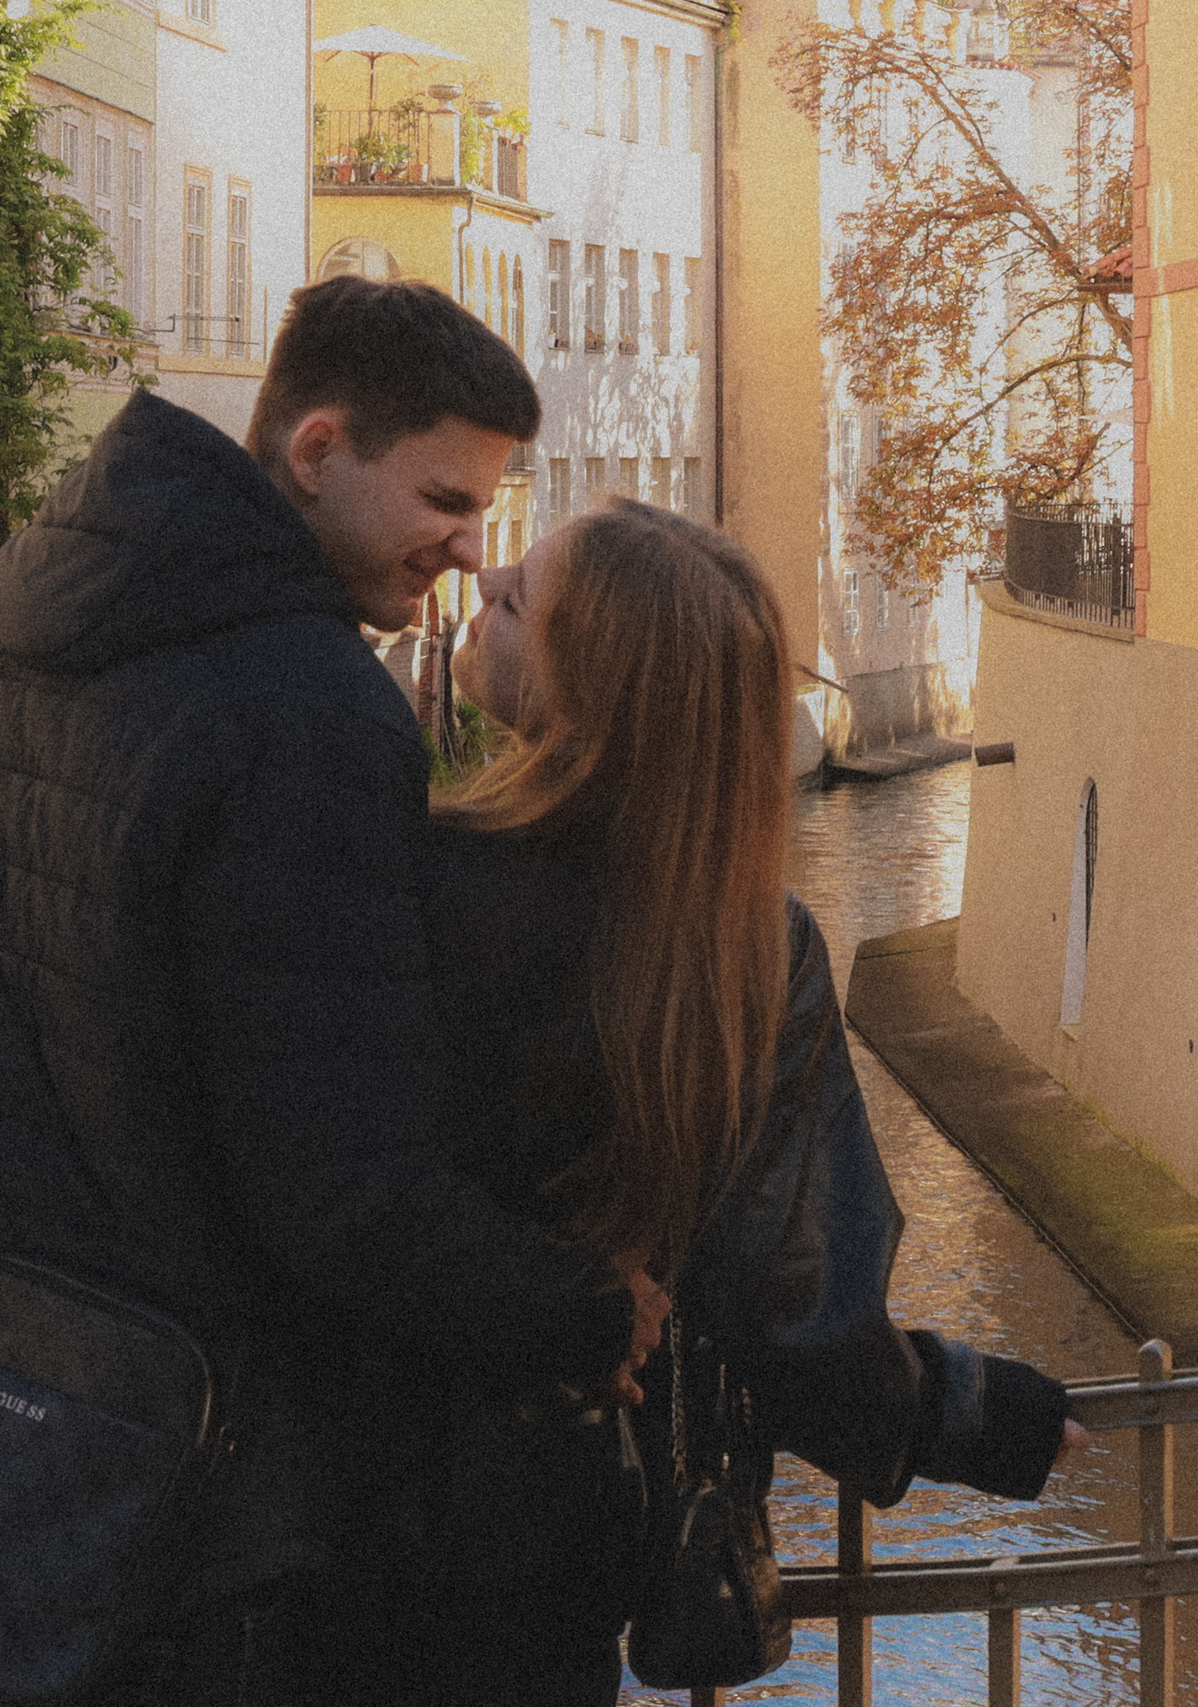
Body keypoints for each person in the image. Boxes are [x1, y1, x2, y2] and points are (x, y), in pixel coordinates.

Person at [0, 278, 670, 1704]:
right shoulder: (310, 709)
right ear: (316, 450)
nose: (466, 546)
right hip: (165, 1513)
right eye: (442, 498)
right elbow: (340, 1187)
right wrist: (588, 1312)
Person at [296, 500, 1085, 1704]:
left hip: (325, 1494)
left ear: (589, 690)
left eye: (524, 592)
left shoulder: (397, 878)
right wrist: (973, 1415)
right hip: (551, 1530)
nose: (484, 575)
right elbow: (792, 1301)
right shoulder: (744, 953)